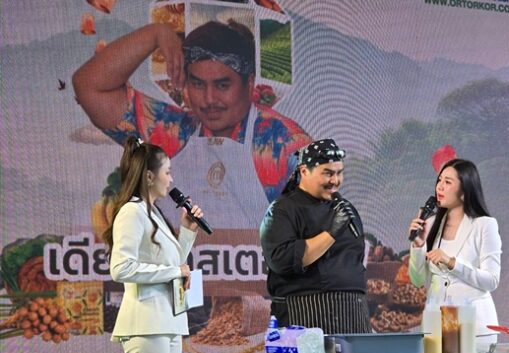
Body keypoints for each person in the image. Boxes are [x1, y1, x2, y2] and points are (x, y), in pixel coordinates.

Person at [73, 18, 311, 229]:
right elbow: (89, 86)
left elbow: (315, 236)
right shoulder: (173, 131)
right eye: (198, 84)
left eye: (222, 85)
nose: (209, 100)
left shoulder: (285, 144)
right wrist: (156, 33)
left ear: (249, 84)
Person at [102, 136, 204, 353]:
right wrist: (174, 272)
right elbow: (120, 268)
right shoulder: (131, 212)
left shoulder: (153, 212)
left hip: (168, 321)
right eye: (167, 172)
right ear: (149, 176)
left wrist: (187, 231)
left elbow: (173, 265)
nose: (171, 180)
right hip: (146, 323)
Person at [260, 139, 371, 333]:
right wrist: (332, 232)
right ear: (304, 171)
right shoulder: (282, 210)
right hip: (305, 315)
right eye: (328, 173)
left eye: (339, 173)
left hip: (354, 315)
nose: (335, 180)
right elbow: (282, 260)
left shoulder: (345, 209)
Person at [407, 159, 501, 343]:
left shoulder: (484, 225)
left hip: (473, 329)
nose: (439, 187)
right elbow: (418, 280)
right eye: (439, 180)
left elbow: (491, 280)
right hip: (436, 328)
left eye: (448, 182)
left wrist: (452, 263)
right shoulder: (430, 224)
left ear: (465, 190)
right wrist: (418, 245)